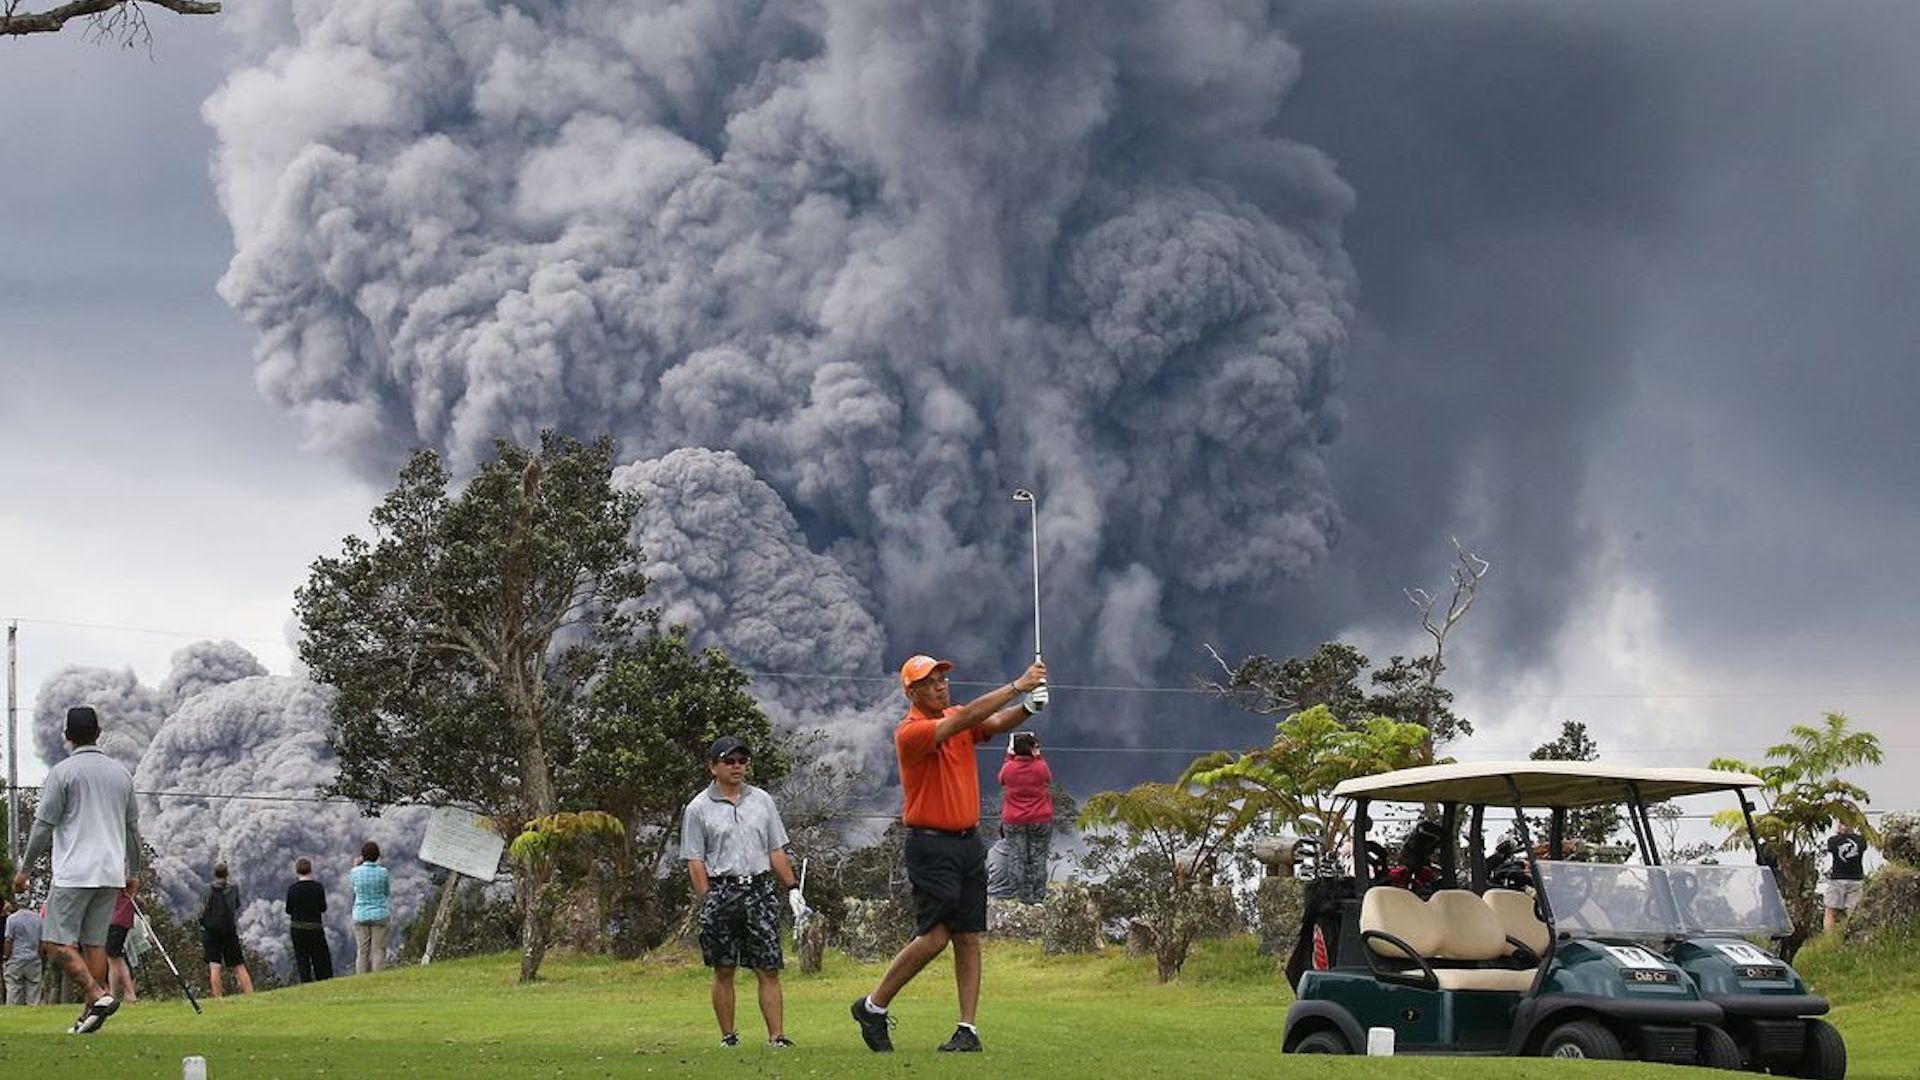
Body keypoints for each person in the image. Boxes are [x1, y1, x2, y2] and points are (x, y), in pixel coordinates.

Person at [851, 654, 1047, 1054]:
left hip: (967, 842)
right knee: (935, 938)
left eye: (943, 678)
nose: (941, 685)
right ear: (912, 691)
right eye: (931, 681)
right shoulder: (912, 731)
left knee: (967, 936)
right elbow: (963, 720)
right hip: (930, 844)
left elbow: (990, 723)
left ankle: (967, 1030)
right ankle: (873, 1006)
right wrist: (1018, 686)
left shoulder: (957, 714)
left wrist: (1027, 709)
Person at [10, 705, 142, 1033]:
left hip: (75, 872)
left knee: (54, 942)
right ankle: (90, 1016)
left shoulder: (63, 773)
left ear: (67, 736)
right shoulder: (121, 774)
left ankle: (98, 995)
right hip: (109, 872)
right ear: (99, 731)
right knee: (94, 944)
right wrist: (134, 872)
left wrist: (25, 870)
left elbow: (43, 826)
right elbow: (132, 829)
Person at [681, 735, 806, 1049]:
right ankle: (728, 1036)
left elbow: (775, 849)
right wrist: (707, 899)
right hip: (721, 891)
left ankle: (776, 1037)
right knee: (724, 967)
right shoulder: (698, 808)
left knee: (768, 967)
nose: (737, 767)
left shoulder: (762, 800)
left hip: (759, 890)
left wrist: (791, 888)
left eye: (742, 761)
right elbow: (695, 859)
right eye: (729, 761)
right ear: (713, 767)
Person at [998, 731, 1054, 905]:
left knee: (1016, 857)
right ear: (1032, 749)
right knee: (1038, 857)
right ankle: (1038, 897)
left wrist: (1008, 756)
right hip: (1039, 818)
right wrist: (1037, 757)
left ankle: (1021, 897)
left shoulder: (1008, 768)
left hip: (1014, 820)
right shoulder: (1040, 766)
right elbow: (1048, 778)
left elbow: (1001, 779)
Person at [200, 862, 254, 997]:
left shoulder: (207, 889)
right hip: (229, 931)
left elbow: (202, 910)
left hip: (211, 932)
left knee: (214, 966)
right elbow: (236, 906)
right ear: (227, 874)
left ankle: (218, 999)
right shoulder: (234, 889)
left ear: (214, 874)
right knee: (239, 965)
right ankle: (251, 995)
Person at [286, 857, 332, 983]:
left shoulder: (292, 888)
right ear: (311, 870)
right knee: (320, 958)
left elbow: (288, 910)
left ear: (297, 871)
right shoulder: (318, 887)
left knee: (302, 960)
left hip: (297, 929)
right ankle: (323, 982)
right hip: (315, 928)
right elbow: (323, 908)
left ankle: (306, 983)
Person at [350, 841, 391, 974]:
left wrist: (356, 865)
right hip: (380, 914)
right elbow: (386, 892)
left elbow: (354, 889)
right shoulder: (383, 872)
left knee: (362, 951)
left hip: (360, 915)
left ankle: (362, 981)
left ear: (362, 856)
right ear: (378, 856)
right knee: (378, 950)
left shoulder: (355, 872)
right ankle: (377, 980)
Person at [1823, 820, 1868, 933]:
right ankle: (1851, 934)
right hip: (1855, 879)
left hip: (1837, 879)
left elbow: (1830, 848)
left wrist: (1839, 832)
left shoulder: (1833, 841)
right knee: (1852, 911)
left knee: (1830, 910)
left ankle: (1829, 936)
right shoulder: (1860, 840)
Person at [4, 898, 45, 1005]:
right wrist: (40, 956)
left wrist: (6, 956)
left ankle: (11, 1011)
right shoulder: (38, 919)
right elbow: (41, 941)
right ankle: (33, 1012)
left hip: (16, 958)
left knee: (13, 987)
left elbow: (9, 940)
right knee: (34, 988)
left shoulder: (12, 919)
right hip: (33, 958)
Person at [105, 891, 139, 1003]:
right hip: (121, 919)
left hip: (116, 919)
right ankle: (129, 993)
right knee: (117, 957)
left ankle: (113, 994)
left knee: (112, 958)